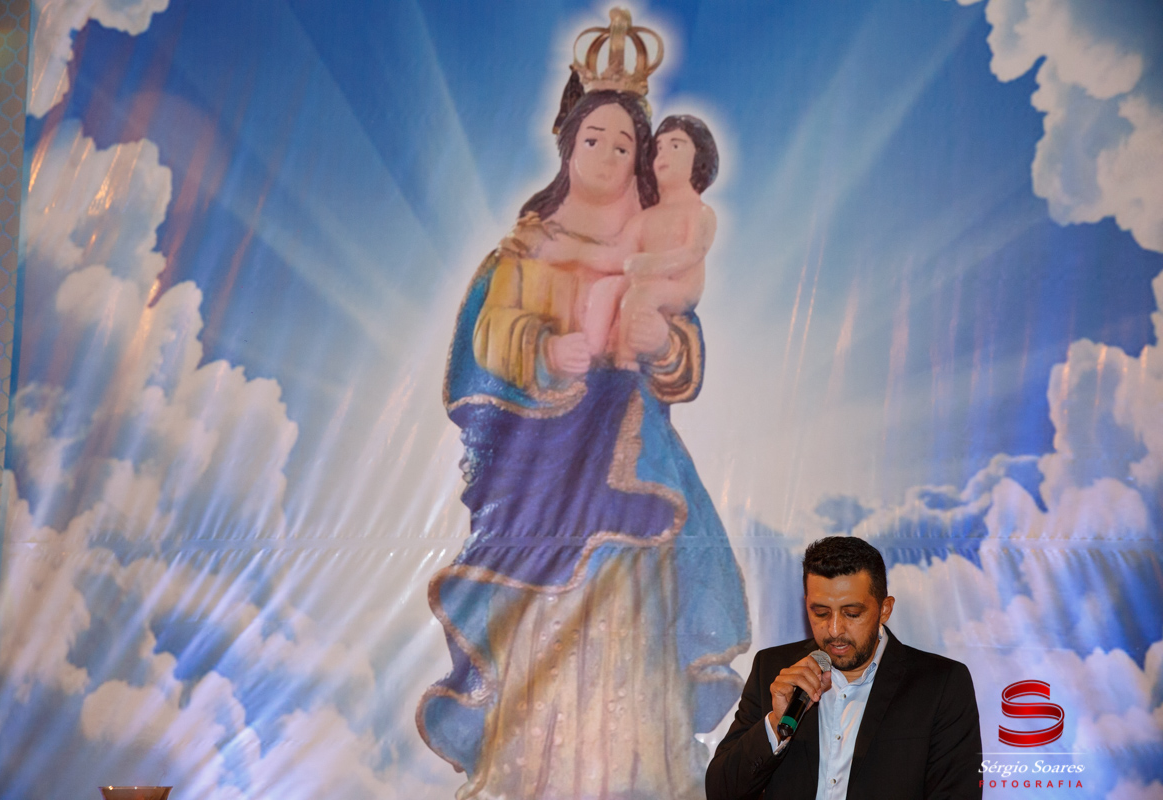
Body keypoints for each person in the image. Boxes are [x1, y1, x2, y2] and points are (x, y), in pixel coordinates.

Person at [418, 89, 750, 800]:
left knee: (631, 624)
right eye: (593, 138)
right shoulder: (524, 250)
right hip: (539, 474)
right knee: (537, 631)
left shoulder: (651, 245)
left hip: (629, 468)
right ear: (569, 147)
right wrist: (542, 349)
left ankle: (637, 778)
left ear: (641, 163)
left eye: (624, 146)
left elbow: (680, 343)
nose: (606, 155)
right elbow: (484, 339)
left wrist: (665, 345)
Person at [706, 536, 983, 800]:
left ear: (884, 610)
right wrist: (776, 724)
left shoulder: (940, 684)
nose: (835, 629)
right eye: (821, 613)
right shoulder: (775, 669)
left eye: (852, 613)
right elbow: (721, 791)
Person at [540, 114, 719, 371]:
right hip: (643, 277)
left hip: (678, 287)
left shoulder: (700, 213)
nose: (663, 155)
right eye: (659, 148)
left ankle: (626, 359)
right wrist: (575, 252)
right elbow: (617, 258)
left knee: (641, 293)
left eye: (675, 146)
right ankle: (591, 351)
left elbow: (693, 252)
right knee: (607, 287)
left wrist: (653, 265)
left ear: (700, 158)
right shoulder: (644, 219)